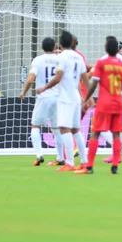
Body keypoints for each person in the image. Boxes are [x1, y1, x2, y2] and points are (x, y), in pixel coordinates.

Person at [76, 36, 122, 175]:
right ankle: (114, 166)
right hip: (118, 103)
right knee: (116, 134)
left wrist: (86, 99)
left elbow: (93, 83)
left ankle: (89, 166)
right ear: (119, 50)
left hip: (104, 103)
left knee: (95, 132)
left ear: (106, 48)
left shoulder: (101, 62)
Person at [36, 31, 90, 172]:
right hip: (77, 97)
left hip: (65, 98)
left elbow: (58, 77)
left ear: (60, 44)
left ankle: (70, 163)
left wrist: (44, 88)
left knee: (64, 129)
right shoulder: (78, 57)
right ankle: (84, 162)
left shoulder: (62, 57)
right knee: (75, 130)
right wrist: (89, 97)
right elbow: (84, 78)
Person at [20, 37, 65, 167]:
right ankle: (60, 157)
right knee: (57, 129)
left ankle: (39, 155)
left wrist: (24, 92)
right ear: (54, 47)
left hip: (43, 97)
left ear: (41, 47)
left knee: (35, 126)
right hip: (57, 97)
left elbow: (30, 79)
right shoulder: (59, 59)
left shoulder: (38, 60)